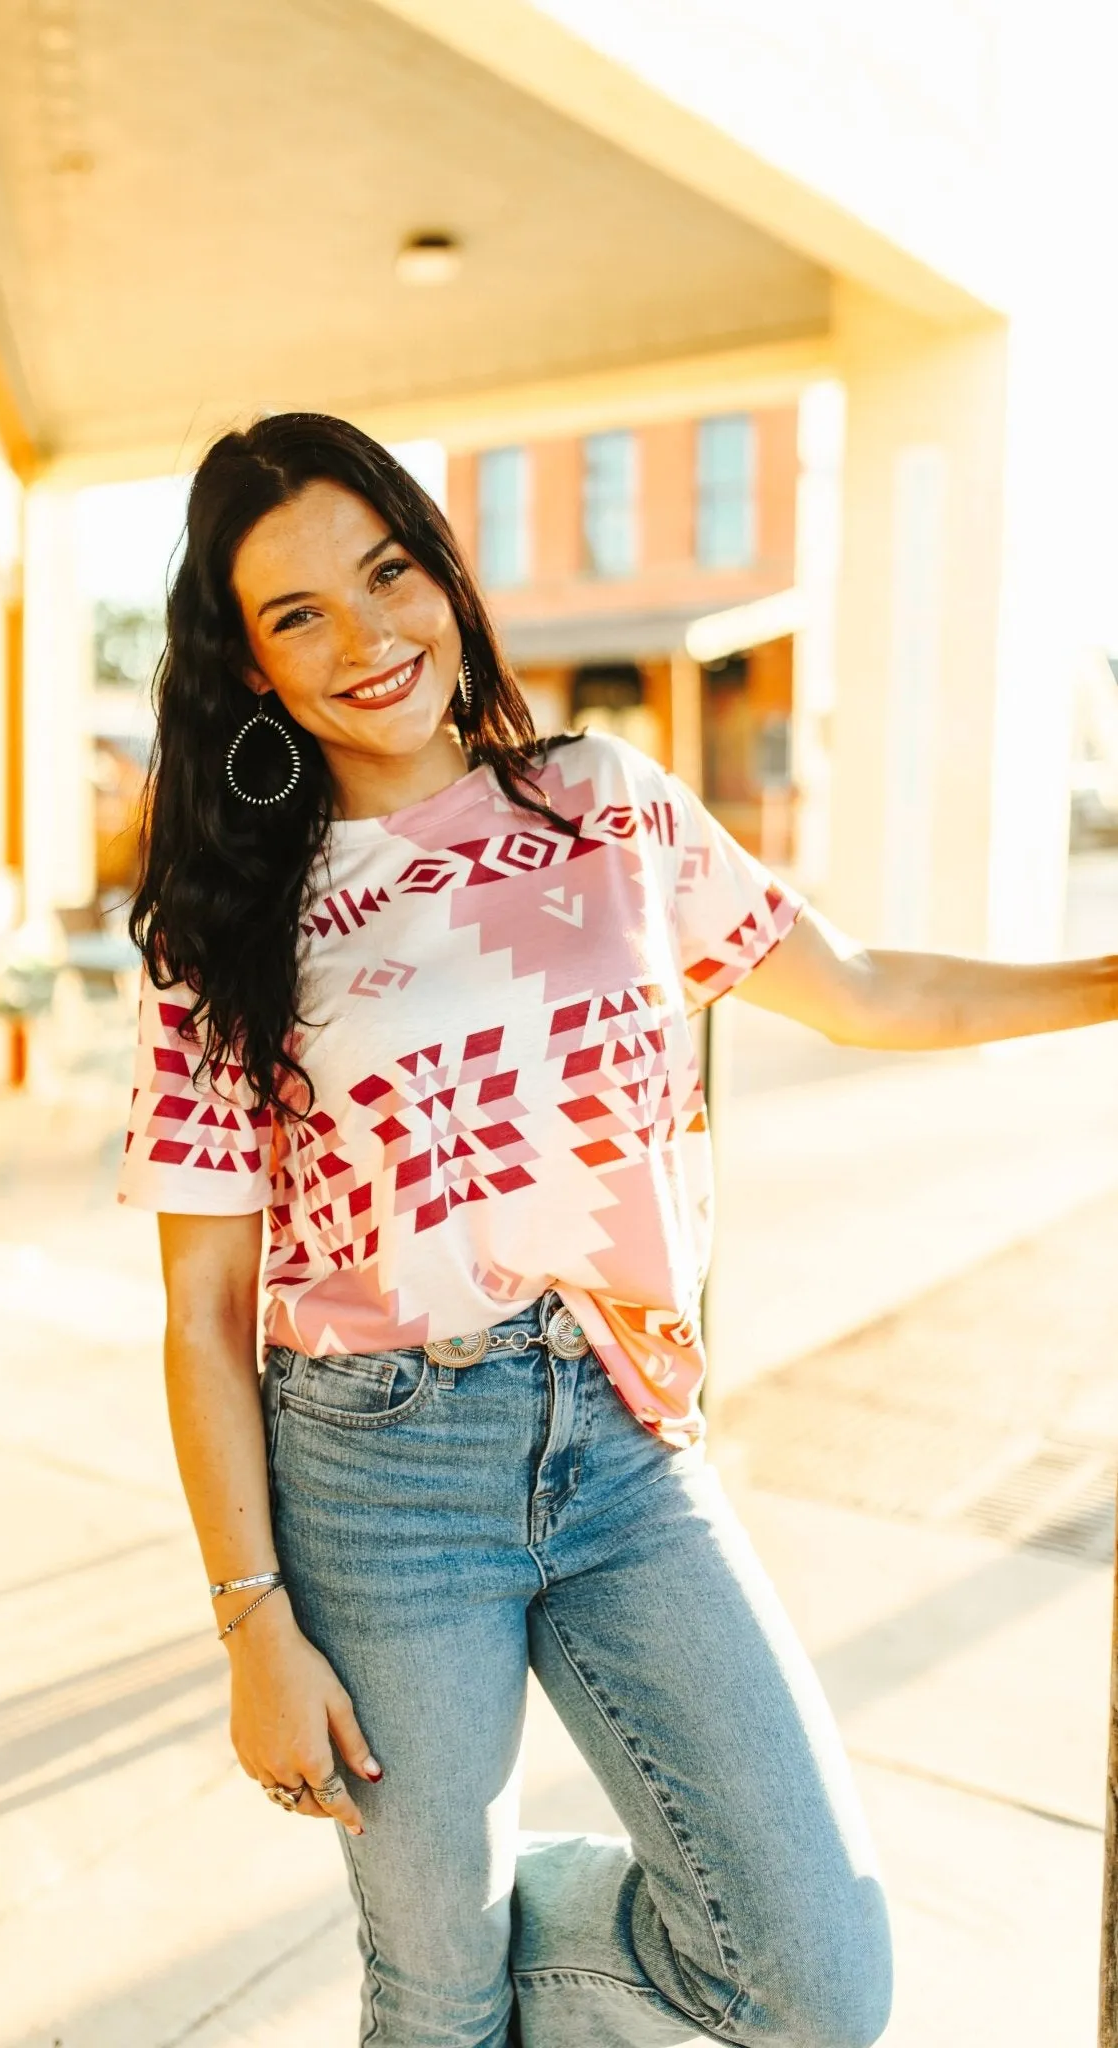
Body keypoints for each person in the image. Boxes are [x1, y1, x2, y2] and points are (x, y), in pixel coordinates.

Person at [118, 412, 1116, 2048]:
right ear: (248, 668)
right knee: (434, 2003)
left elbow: (863, 990)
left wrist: (1110, 983)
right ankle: (448, 1915)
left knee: (815, 1984)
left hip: (629, 1438)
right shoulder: (226, 922)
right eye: (300, 614)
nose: (368, 639)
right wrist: (253, 1624)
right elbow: (202, 1308)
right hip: (381, 1469)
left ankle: (489, 1899)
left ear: (444, 571)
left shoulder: (604, 805)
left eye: (388, 574)